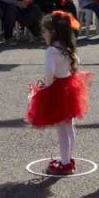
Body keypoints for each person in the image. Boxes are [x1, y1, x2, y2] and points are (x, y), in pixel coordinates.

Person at [25, 11, 92, 175]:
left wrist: (46, 84)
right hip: (69, 86)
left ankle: (65, 163)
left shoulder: (51, 51)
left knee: (62, 129)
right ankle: (68, 158)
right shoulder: (67, 47)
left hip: (57, 89)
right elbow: (75, 64)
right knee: (69, 125)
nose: (43, 35)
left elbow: (49, 72)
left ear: (52, 32)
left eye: (45, 32)